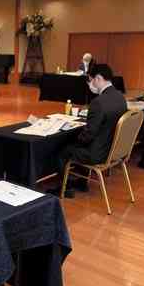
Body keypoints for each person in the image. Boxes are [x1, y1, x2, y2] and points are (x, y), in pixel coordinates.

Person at [50, 64, 127, 198]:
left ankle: (65, 188)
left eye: (90, 80)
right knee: (81, 144)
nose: (90, 84)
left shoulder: (98, 102)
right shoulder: (120, 97)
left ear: (98, 78)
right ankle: (82, 182)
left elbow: (88, 135)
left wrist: (73, 139)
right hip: (114, 150)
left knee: (63, 150)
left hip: (98, 154)